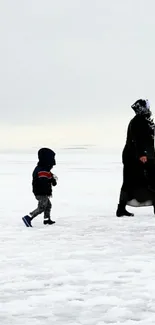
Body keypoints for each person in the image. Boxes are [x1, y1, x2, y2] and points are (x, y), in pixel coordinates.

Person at [116, 99, 155, 217]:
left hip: (140, 156)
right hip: (134, 158)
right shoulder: (138, 121)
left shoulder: (143, 120)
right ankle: (121, 209)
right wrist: (142, 154)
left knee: (145, 180)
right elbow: (137, 139)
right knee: (133, 182)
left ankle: (121, 208)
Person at [22, 148, 58, 227]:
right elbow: (44, 180)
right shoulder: (41, 170)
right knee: (42, 206)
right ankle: (28, 217)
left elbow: (49, 175)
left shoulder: (44, 168)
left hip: (42, 191)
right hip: (40, 192)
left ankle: (46, 219)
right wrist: (51, 181)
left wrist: (52, 179)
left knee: (48, 205)